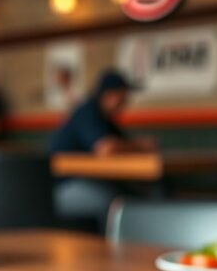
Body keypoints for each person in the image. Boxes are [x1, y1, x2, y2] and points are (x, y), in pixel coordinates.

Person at [48, 69, 157, 227]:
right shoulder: (88, 112)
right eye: (122, 96)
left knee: (136, 195)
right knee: (115, 203)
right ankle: (112, 248)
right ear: (109, 95)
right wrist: (141, 146)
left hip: (87, 181)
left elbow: (120, 145)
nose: (125, 102)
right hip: (61, 187)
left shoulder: (107, 120)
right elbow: (107, 148)